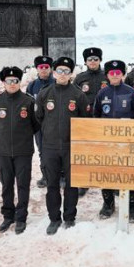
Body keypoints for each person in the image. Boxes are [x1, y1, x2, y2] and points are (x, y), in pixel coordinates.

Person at [35, 57, 90, 235]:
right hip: (50, 146)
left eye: (66, 71)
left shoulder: (78, 95)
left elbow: (84, 120)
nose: (63, 74)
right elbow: (39, 118)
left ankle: (69, 217)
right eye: (59, 70)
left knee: (71, 184)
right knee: (52, 184)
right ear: (54, 72)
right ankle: (54, 218)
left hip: (70, 146)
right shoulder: (45, 93)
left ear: (71, 73)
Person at [0, 66, 41, 234]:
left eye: (15, 81)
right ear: (3, 82)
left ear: (20, 82)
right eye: (9, 81)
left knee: (23, 185)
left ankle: (21, 217)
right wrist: (5, 136)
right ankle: (8, 216)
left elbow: (36, 124)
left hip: (23, 151)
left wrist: (21, 136)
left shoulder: (28, 101)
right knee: (6, 185)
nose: (12, 84)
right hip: (3, 151)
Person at [93, 59, 134, 222]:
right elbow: (96, 115)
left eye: (118, 73)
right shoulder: (102, 93)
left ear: (122, 74)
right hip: (108, 142)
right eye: (111, 73)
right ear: (107, 75)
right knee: (107, 172)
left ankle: (132, 207)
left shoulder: (131, 92)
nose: (115, 75)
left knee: (129, 174)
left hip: (128, 142)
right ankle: (108, 204)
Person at [73, 47, 106, 197]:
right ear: (85, 61)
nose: (93, 62)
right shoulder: (80, 78)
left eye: (96, 59)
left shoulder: (107, 75)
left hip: (104, 120)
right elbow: (72, 97)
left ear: (100, 60)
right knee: (85, 152)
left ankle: (108, 181)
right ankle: (84, 181)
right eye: (90, 59)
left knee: (105, 151)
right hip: (85, 119)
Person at [27, 55, 55, 188]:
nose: (44, 70)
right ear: (37, 69)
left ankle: (59, 176)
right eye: (41, 67)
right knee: (42, 151)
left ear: (50, 69)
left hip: (55, 125)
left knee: (57, 150)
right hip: (39, 126)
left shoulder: (56, 83)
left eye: (46, 67)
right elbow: (28, 105)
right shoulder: (33, 86)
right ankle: (45, 175)